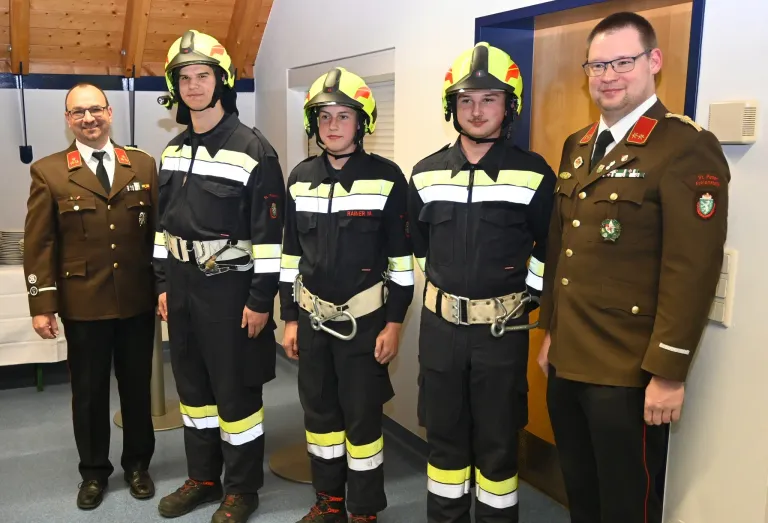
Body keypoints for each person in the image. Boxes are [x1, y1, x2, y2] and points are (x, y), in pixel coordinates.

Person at [537, 12, 730, 523]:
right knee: (581, 491)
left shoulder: (684, 146)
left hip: (629, 371)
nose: (607, 75)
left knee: (628, 504)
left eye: (623, 61)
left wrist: (668, 372)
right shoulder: (577, 146)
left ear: (654, 62)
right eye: (597, 65)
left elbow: (693, 269)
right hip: (569, 358)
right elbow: (563, 250)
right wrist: (550, 330)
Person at [408, 43, 556, 523]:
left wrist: (527, 297)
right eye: (466, 99)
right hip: (441, 331)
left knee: (496, 448)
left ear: (508, 105)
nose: (476, 110)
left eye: (489, 99)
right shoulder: (425, 173)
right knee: (444, 442)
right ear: (452, 106)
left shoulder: (534, 173)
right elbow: (421, 244)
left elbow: (549, 249)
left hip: (502, 334)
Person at [151, 30, 285, 523]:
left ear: (221, 82)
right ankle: (204, 478)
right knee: (194, 392)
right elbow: (162, 228)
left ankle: (242, 489)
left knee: (236, 395)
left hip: (232, 293)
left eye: (202, 75)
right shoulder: (172, 151)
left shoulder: (254, 150)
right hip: (182, 290)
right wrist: (163, 285)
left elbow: (272, 240)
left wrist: (259, 301)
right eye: (183, 78)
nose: (192, 86)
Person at [279, 67, 413, 523]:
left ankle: (364, 510)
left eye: (343, 116)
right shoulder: (299, 177)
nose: (332, 126)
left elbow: (401, 264)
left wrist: (394, 323)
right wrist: (290, 318)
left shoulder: (388, 178)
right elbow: (289, 258)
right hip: (313, 324)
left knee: (362, 423)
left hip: (365, 327)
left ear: (363, 122)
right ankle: (328, 501)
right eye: (323, 116)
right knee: (319, 420)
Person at [23, 82, 158, 510]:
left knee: (137, 389)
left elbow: (157, 235)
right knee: (89, 392)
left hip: (136, 300)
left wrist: (166, 287)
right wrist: (42, 304)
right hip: (83, 303)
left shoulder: (141, 165)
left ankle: (138, 465)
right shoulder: (49, 172)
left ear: (110, 113)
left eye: (96, 109)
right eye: (78, 112)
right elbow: (39, 244)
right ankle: (94, 472)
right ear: (68, 120)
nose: (89, 118)